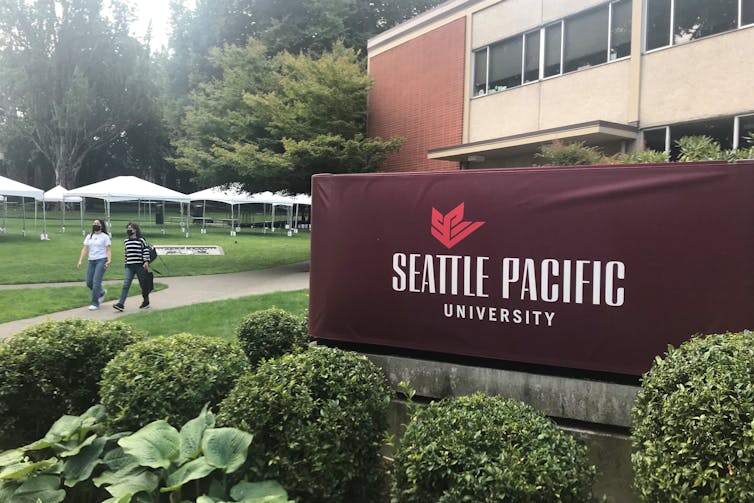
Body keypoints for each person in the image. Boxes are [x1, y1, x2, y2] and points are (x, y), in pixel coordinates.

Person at [113, 222, 151, 311]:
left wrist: (146, 261)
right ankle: (121, 304)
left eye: (131, 228)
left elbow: (146, 250)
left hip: (140, 265)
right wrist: (126, 263)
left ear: (136, 230)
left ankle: (146, 301)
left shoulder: (141, 240)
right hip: (129, 266)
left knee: (143, 284)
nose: (129, 230)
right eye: (128, 228)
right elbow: (126, 253)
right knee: (126, 284)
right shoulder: (126, 241)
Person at [77, 218, 112, 310]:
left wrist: (109, 260)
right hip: (91, 260)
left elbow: (108, 250)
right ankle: (101, 292)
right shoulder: (89, 236)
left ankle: (95, 303)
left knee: (96, 281)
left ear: (101, 225)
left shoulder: (105, 236)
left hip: (101, 260)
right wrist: (80, 260)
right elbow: (85, 249)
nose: (95, 225)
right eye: (94, 223)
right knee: (89, 282)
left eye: (97, 223)